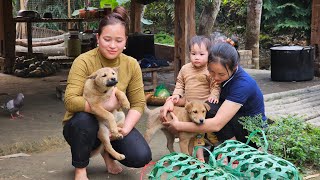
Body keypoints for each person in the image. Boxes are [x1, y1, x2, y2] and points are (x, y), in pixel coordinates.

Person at [62, 6, 152, 180]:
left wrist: (123, 129)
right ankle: (80, 169)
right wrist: (105, 106)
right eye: (107, 39)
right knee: (83, 121)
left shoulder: (131, 64)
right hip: (83, 124)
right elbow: (70, 101)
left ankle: (108, 155)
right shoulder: (83, 61)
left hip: (112, 121)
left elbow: (138, 103)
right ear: (98, 38)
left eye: (118, 40)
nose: (112, 45)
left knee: (141, 156)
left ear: (126, 41)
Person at [161, 42, 267, 150]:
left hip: (251, 133)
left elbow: (217, 124)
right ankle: (223, 144)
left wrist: (179, 126)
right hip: (234, 120)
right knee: (207, 107)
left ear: (235, 67)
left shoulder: (243, 85)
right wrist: (171, 101)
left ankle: (234, 149)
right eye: (211, 71)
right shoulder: (218, 76)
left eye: (221, 74)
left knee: (210, 109)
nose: (215, 77)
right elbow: (194, 99)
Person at [166, 35, 221, 162]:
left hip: (204, 107)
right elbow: (180, 83)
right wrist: (176, 94)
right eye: (193, 53)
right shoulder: (185, 69)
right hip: (190, 107)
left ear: (209, 54)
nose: (197, 57)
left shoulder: (209, 70)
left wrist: (214, 94)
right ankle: (199, 157)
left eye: (201, 54)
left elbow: (215, 85)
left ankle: (214, 152)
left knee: (205, 133)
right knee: (195, 135)